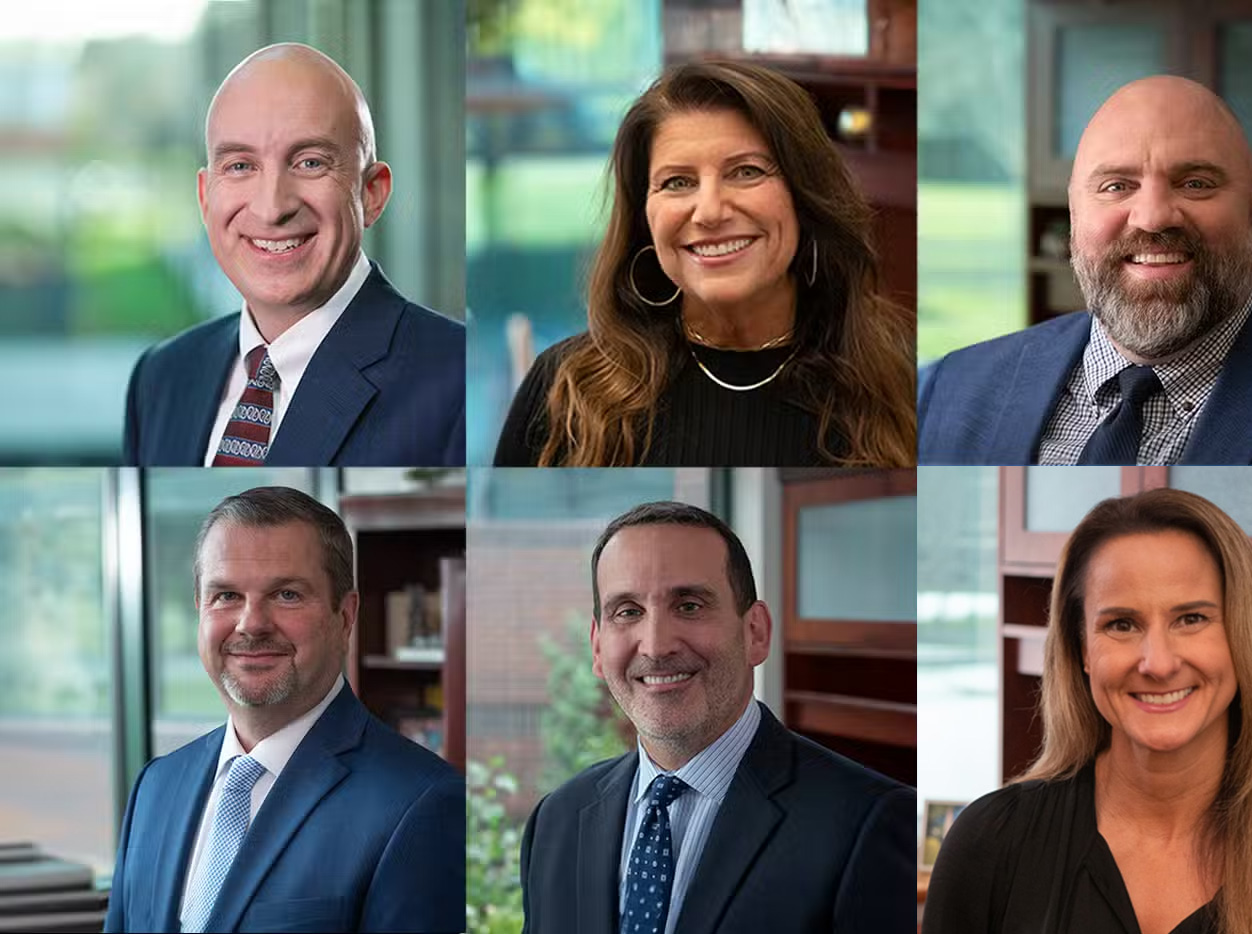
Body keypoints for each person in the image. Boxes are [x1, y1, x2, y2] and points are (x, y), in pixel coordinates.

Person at [924, 489, 1252, 934]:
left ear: (1246, 637)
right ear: (1082, 649)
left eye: (1191, 619)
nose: (1158, 663)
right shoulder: (990, 843)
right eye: (1121, 624)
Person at [917, 75, 1252, 465]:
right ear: (1074, 213)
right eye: (1115, 186)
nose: (1152, 217)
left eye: (1195, 183)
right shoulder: (948, 389)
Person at [494, 61, 914, 467]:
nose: (709, 212)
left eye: (746, 172)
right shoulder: (565, 390)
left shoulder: (899, 384)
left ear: (805, 198)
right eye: (677, 182)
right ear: (645, 217)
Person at [519, 501, 914, 932]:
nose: (655, 645)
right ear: (598, 647)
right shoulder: (556, 821)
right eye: (628, 611)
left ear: (755, 633)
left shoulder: (866, 824)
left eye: (689, 606)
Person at [104, 487, 463, 933]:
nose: (251, 624)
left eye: (287, 595)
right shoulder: (155, 785)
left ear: (345, 616)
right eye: (226, 595)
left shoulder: (420, 802)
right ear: (200, 610)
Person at [123, 44, 465, 467]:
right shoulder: (160, 379)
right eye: (240, 166)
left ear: (371, 193)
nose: (272, 207)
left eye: (309, 162)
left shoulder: (454, 382)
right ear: (204, 196)